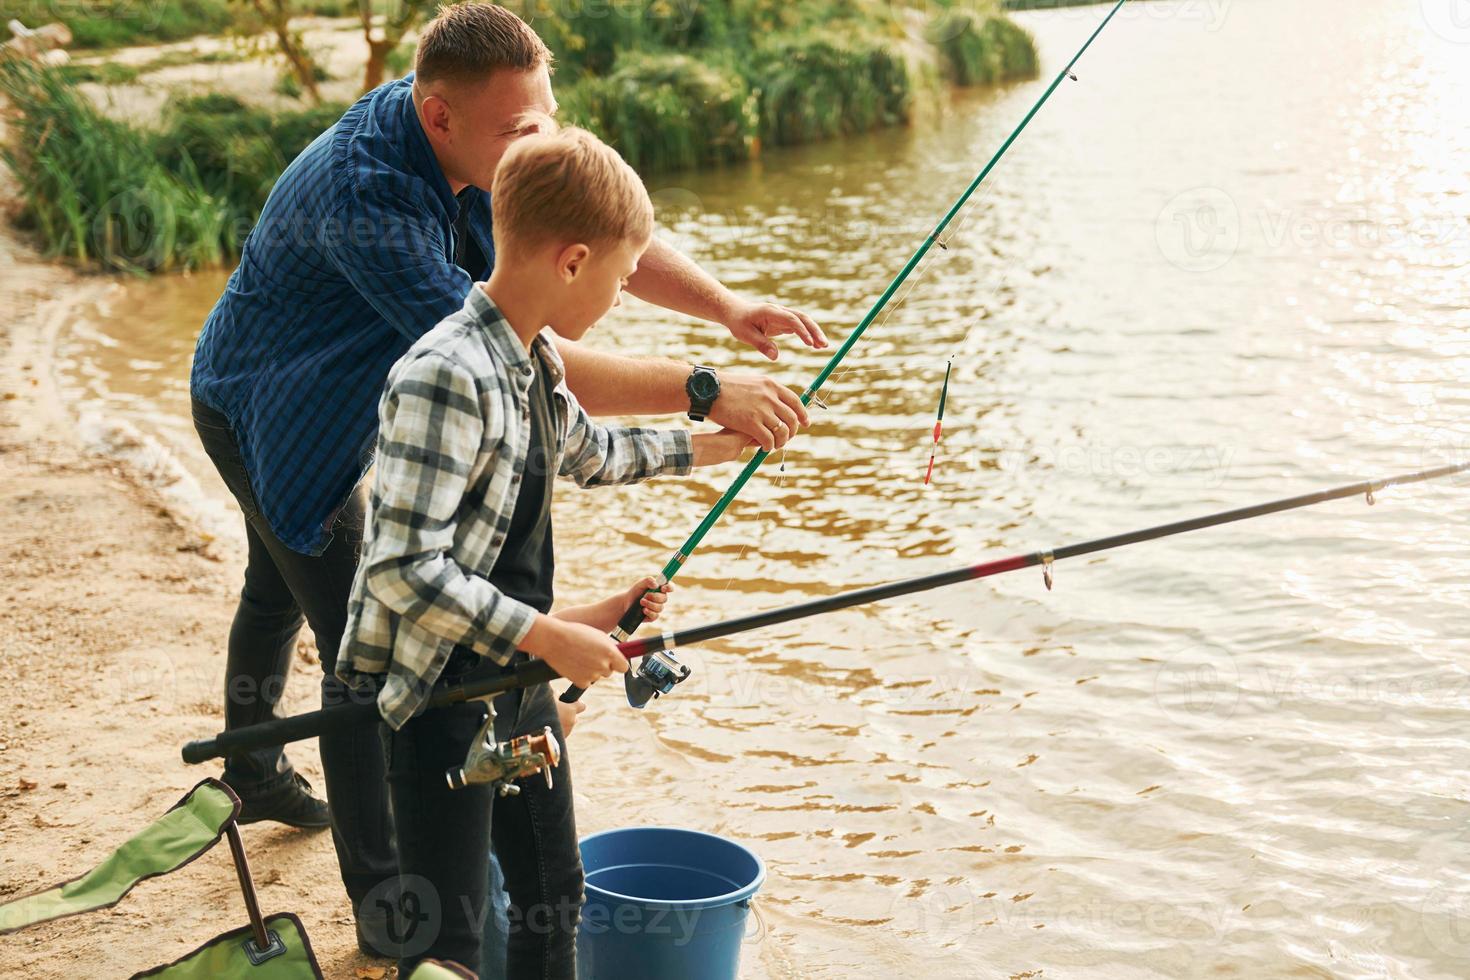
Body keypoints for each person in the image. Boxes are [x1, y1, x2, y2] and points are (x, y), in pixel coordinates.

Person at [187, 0, 826, 939]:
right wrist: (701, 389)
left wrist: (725, 311)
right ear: (439, 116)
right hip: (274, 411)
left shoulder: (487, 148)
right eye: (521, 130)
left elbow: (598, 227)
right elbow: (536, 372)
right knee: (359, 641)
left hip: (352, 389)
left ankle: (252, 770)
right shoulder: (374, 208)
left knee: (274, 587)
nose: (539, 142)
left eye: (545, 119)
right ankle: (382, 902)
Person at [335, 119, 748, 976]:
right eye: (622, 278)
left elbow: (594, 453)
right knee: (448, 945)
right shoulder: (445, 372)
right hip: (442, 701)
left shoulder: (531, 361)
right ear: (571, 262)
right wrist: (551, 637)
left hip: (515, 685)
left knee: (554, 895)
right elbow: (402, 568)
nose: (618, 298)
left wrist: (718, 438)